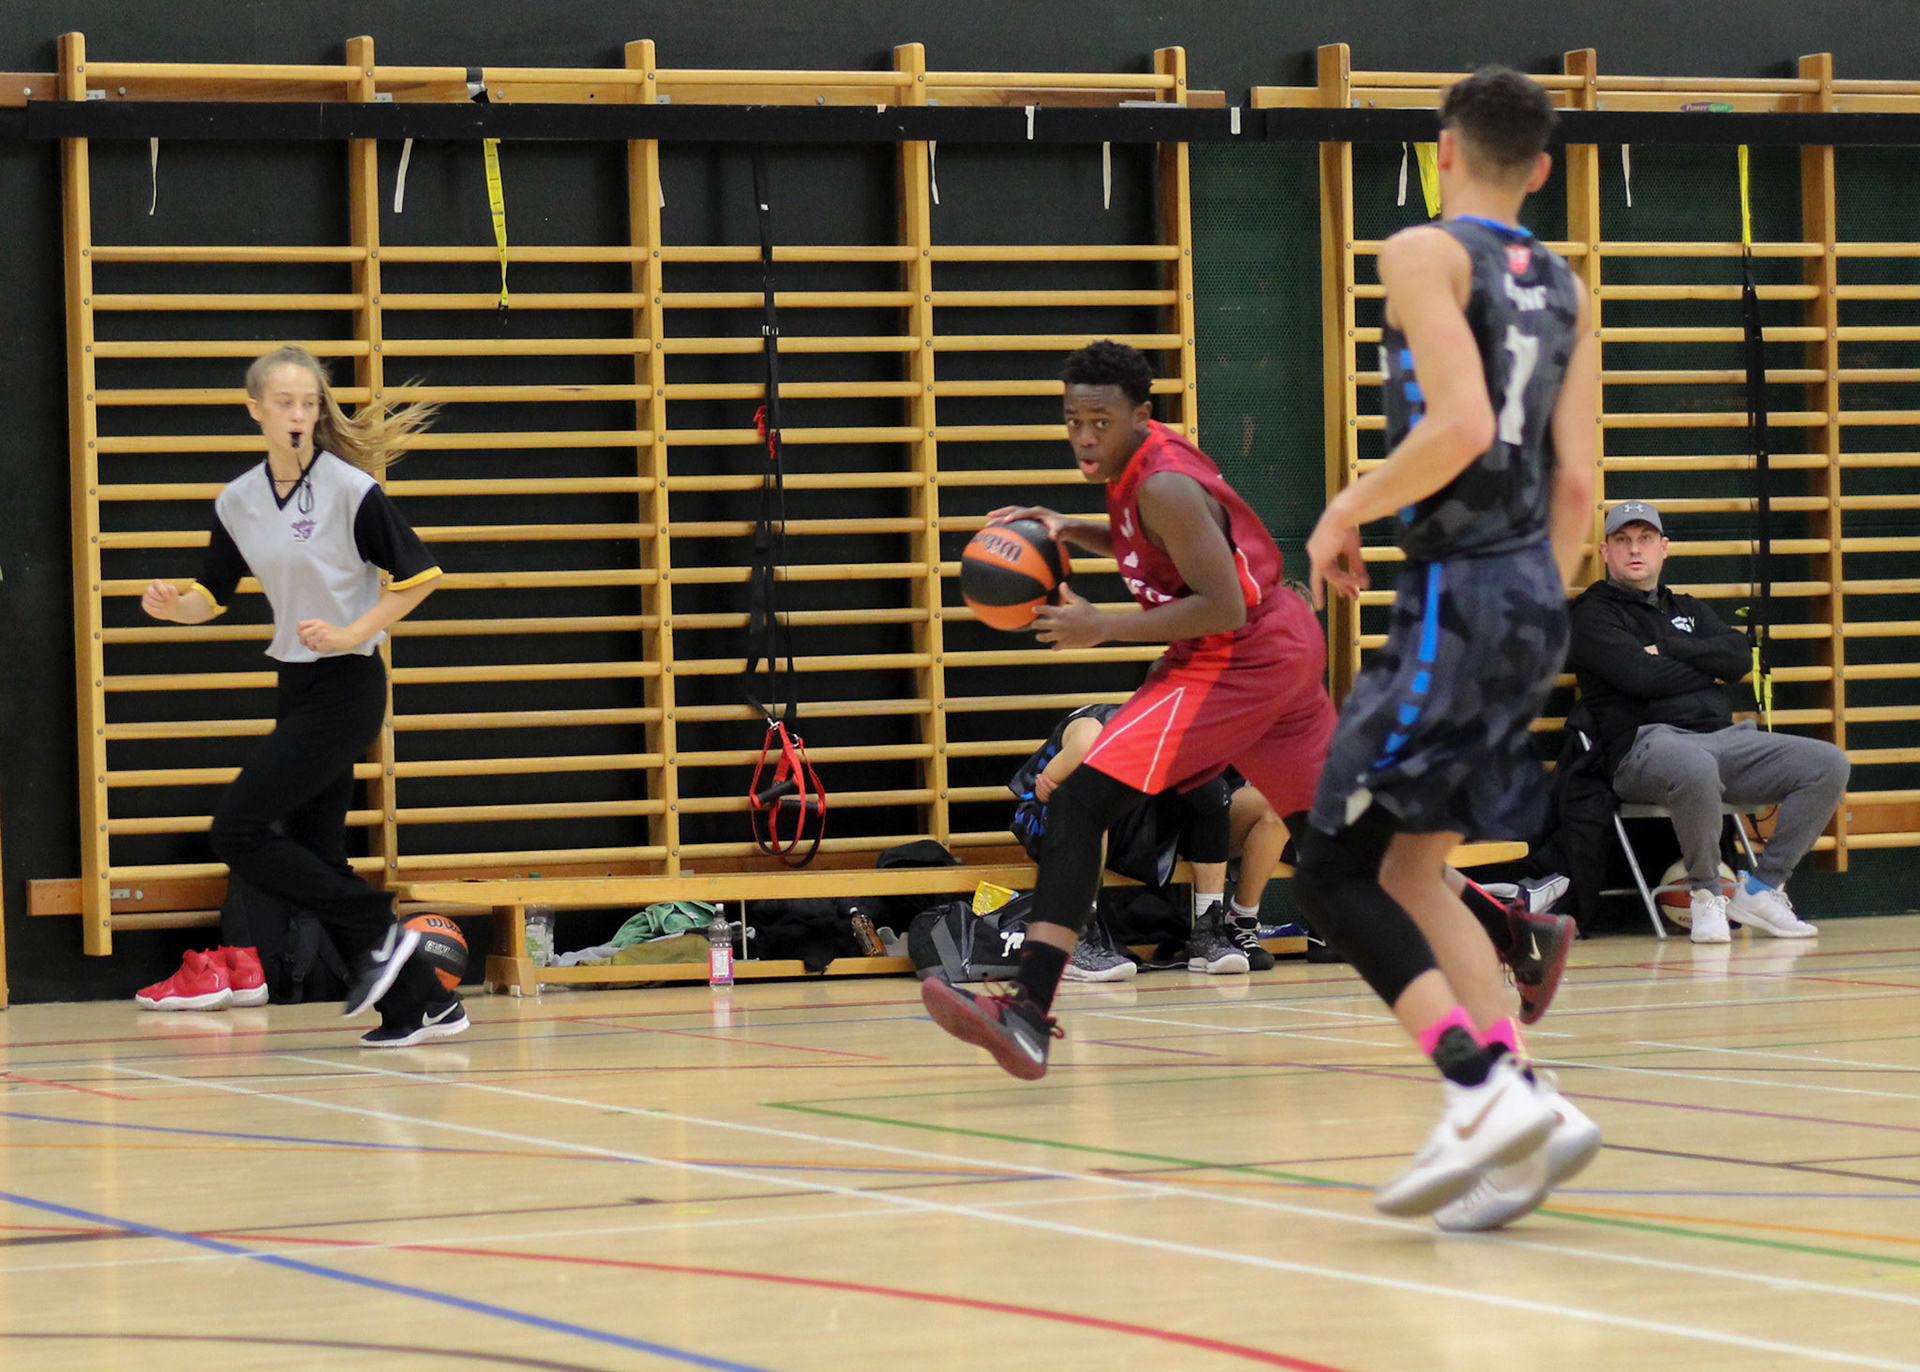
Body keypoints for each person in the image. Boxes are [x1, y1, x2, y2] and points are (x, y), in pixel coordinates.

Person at [1293, 67, 1602, 1232]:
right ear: (1542, 167)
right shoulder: (1569, 284)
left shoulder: (1423, 250)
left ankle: (1478, 1088)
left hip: (1454, 595)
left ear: (1443, 149)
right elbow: (1577, 484)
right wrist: (1533, 605)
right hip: (1532, 600)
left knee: (1331, 870)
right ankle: (1527, 1104)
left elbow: (1464, 422)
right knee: (1414, 872)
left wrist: (1345, 508)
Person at [921, 338, 1339, 1076]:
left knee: (1079, 805)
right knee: (1338, 841)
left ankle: (1029, 1010)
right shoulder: (1141, 466)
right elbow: (1159, 552)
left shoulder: (1162, 484)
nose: (1084, 437)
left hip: (1237, 655)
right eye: (1073, 422)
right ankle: (1508, 927)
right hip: (1278, 645)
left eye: (1099, 422)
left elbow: (1220, 606)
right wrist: (1069, 528)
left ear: (1140, 415)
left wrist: (1101, 625)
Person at [133, 344, 466, 1047]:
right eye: (284, 402)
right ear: (254, 408)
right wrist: (173, 606)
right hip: (296, 682)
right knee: (318, 853)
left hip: (348, 684)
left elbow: (421, 576)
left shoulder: (349, 489)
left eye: (309, 402)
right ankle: (425, 1005)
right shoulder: (239, 501)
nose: (297, 414)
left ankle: (378, 928)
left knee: (237, 829)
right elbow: (210, 596)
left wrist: (352, 632)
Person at [1569, 499, 1848, 943]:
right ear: (1605, 552)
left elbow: (1737, 657)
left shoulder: (1688, 608)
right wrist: (1706, 669)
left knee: (1828, 763)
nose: (1634, 549)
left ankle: (1761, 888)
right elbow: (1640, 677)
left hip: (1722, 739)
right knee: (1695, 765)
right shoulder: (1592, 613)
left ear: (1664, 548)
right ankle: (1705, 894)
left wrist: (1670, 649)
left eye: (1645, 539)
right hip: (1644, 748)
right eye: (1622, 540)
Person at [1010, 703, 1268, 977]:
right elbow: (1045, 790)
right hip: (1048, 819)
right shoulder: (1091, 734)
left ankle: (1208, 932)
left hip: (1121, 820)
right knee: (1091, 802)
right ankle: (1077, 939)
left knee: (1211, 790)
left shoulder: (1174, 736)